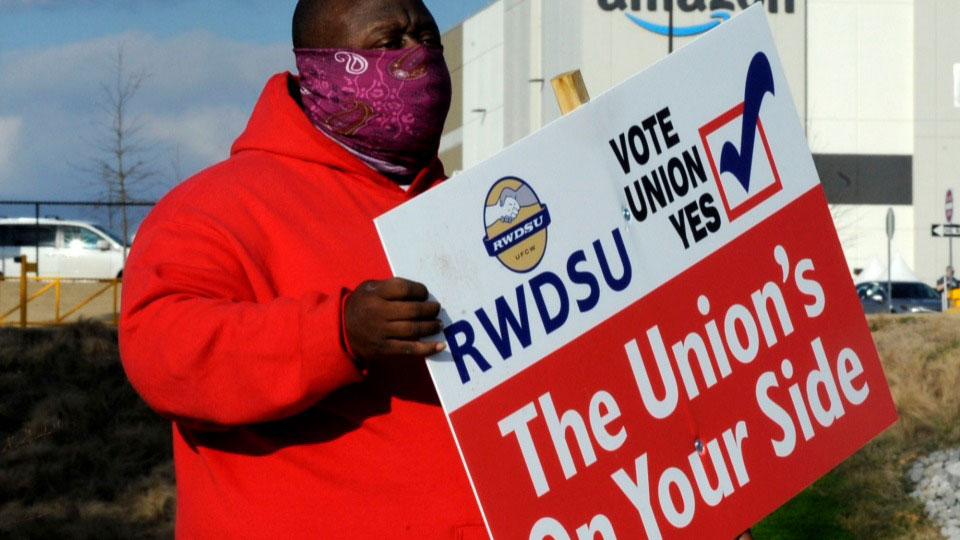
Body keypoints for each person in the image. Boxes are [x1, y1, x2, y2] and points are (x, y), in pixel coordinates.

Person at [120, 1, 755, 538]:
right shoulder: (216, 208)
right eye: (387, 42)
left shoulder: (468, 210)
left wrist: (695, 490)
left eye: (425, 35)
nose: (417, 55)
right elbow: (163, 352)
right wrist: (335, 333)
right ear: (319, 70)